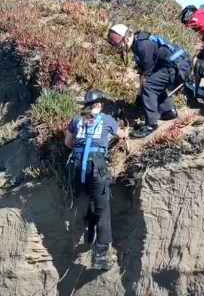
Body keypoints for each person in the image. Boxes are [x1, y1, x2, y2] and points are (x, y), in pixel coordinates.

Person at [64, 89, 127, 271]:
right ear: (99, 104)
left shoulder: (76, 120)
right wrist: (124, 133)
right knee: (102, 208)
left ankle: (86, 237)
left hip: (76, 166)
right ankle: (100, 256)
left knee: (85, 200)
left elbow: (68, 143)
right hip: (96, 166)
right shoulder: (107, 120)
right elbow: (121, 135)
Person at [106, 23, 190, 138]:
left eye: (118, 45)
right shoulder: (137, 42)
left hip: (178, 66)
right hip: (175, 64)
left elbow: (146, 77)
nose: (119, 48)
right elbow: (144, 71)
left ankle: (151, 124)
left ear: (125, 39)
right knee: (155, 83)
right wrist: (139, 96)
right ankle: (169, 111)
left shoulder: (142, 45)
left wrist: (142, 97)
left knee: (150, 86)